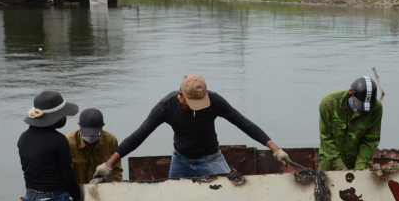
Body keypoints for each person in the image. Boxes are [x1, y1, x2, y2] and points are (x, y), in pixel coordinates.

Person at [93, 75, 291, 181]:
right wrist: (109, 164)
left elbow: (244, 123)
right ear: (181, 95)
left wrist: (276, 149)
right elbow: (140, 135)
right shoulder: (166, 106)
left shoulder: (214, 101)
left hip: (211, 157)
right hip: (181, 159)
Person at [318, 76, 382, 172]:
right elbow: (326, 138)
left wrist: (359, 170)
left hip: (357, 161)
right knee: (326, 185)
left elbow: (370, 141)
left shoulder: (376, 109)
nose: (361, 111)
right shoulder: (329, 103)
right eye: (359, 106)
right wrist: (341, 167)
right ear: (350, 92)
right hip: (329, 161)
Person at [66, 108, 123, 184]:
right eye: (88, 133)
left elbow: (116, 170)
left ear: (103, 125)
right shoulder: (68, 142)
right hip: (76, 191)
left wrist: (114, 187)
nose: (91, 136)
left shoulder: (110, 140)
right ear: (79, 125)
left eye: (94, 133)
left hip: (103, 190)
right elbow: (65, 173)